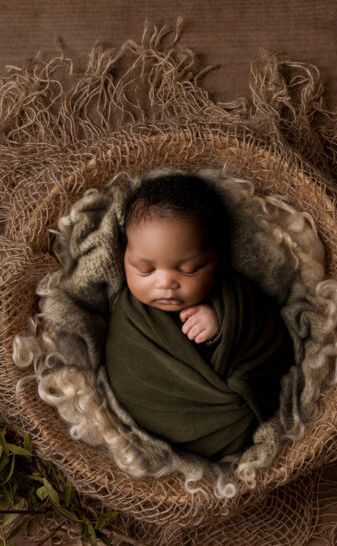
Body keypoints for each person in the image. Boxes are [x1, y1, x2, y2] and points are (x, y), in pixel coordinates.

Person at [104, 174, 294, 460]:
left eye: (190, 269)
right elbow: (127, 370)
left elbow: (270, 336)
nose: (165, 283)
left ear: (217, 259)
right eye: (145, 269)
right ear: (124, 257)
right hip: (163, 419)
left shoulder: (234, 292)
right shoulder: (129, 317)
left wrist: (224, 321)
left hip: (238, 415)